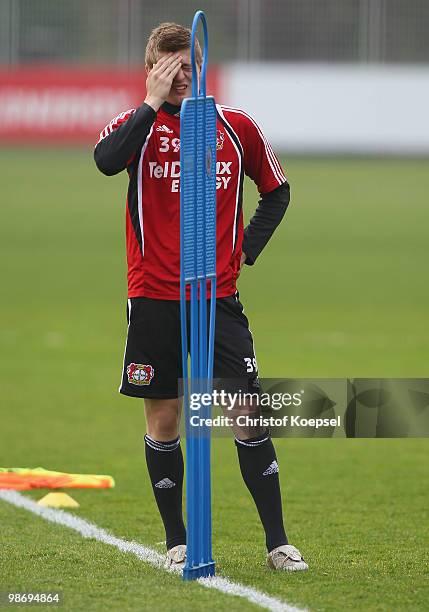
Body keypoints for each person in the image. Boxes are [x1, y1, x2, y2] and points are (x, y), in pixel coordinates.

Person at [94, 22, 307, 572]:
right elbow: (104, 160)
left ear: (205, 64)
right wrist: (151, 102)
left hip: (218, 296)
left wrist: (243, 252)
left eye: (189, 65)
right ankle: (176, 541)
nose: (181, 76)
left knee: (247, 413)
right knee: (164, 418)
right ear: (152, 71)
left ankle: (278, 543)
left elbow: (277, 191)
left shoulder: (234, 127)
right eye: (169, 68)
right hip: (154, 297)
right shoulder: (138, 128)